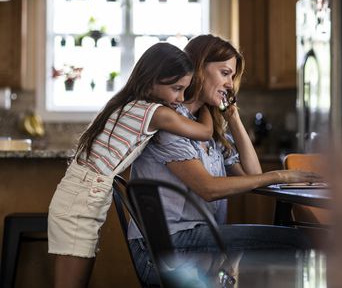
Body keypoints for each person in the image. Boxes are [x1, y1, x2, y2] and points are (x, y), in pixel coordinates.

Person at [128, 34, 322, 286]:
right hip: (165, 250)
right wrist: (280, 175)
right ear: (199, 68)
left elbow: (252, 174)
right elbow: (208, 189)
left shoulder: (207, 125)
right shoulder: (170, 122)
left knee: (292, 241)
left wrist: (233, 117)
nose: (230, 84)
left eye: (232, 76)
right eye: (225, 73)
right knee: (296, 242)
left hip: (196, 240)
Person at [47, 42, 214, 288]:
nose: (180, 99)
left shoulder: (127, 102)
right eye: (176, 89)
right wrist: (208, 102)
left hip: (81, 195)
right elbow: (205, 132)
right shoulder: (156, 113)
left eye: (185, 90)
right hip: (80, 201)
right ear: (152, 81)